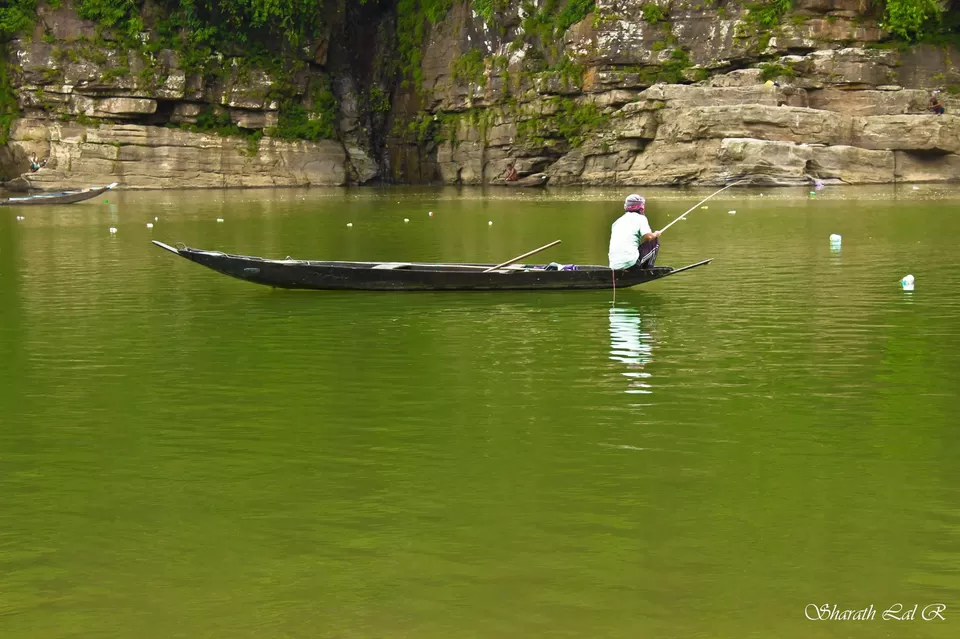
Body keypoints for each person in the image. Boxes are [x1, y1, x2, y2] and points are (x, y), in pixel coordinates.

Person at [608, 194, 660, 270]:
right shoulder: (641, 218)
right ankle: (649, 269)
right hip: (631, 264)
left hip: (614, 265)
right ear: (641, 208)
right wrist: (656, 234)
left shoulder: (616, 222)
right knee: (654, 241)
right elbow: (649, 237)